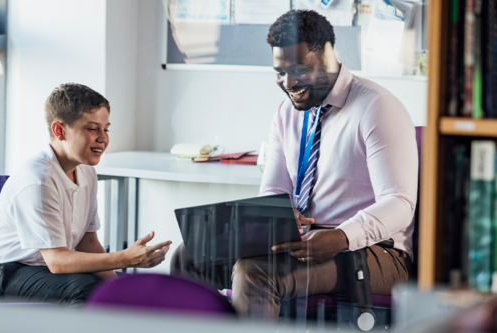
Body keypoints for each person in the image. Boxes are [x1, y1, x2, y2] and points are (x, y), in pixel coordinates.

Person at [171, 10, 417, 321]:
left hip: (374, 252)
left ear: (328, 55)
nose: (289, 83)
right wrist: (281, 215)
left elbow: (400, 203)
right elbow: (274, 189)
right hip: (302, 241)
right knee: (189, 256)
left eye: (299, 69)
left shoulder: (376, 107)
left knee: (254, 273)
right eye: (280, 72)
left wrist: (341, 236)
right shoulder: (287, 114)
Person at [0, 83, 172, 306]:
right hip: (2, 275)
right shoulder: (38, 179)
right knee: (87, 290)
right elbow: (57, 261)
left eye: (106, 129)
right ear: (59, 131)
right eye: (92, 128)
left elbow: (88, 243)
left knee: (124, 291)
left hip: (43, 268)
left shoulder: (87, 172)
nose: (103, 138)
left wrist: (120, 290)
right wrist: (125, 258)